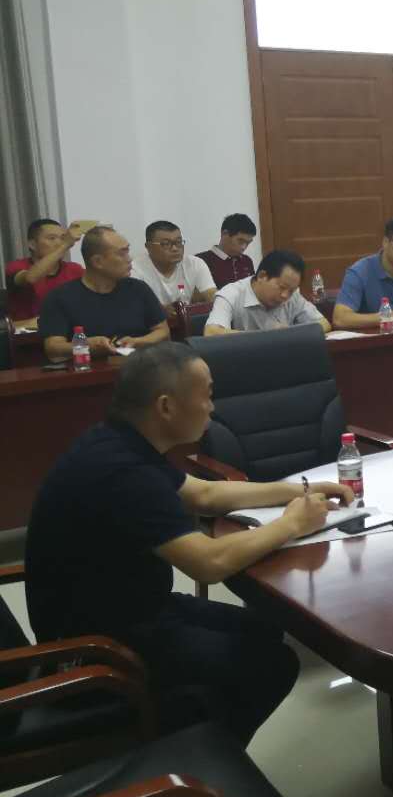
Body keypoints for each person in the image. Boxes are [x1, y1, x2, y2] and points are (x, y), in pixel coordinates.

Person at [25, 342, 354, 744]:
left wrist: (299, 490)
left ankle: (202, 740)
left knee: (264, 630)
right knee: (272, 665)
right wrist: (292, 524)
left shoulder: (120, 441)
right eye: (207, 395)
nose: (212, 408)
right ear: (166, 406)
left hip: (129, 608)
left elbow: (205, 494)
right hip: (95, 650)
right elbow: (207, 563)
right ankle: (193, 758)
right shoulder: (122, 472)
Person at [39, 226, 170, 362]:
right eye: (122, 253)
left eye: (127, 251)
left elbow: (163, 331)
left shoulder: (138, 288)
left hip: (141, 365)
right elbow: (53, 347)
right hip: (88, 369)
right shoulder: (60, 297)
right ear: (98, 262)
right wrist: (86, 344)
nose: (129, 259)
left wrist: (138, 341)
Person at [205, 250, 331, 335]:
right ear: (262, 276)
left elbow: (323, 324)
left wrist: (291, 333)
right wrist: (266, 336)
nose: (285, 296)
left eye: (291, 291)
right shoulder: (231, 293)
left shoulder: (293, 295)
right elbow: (212, 332)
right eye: (281, 287)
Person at [6, 217, 86, 327]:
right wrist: (65, 245)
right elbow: (31, 278)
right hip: (29, 335)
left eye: (62, 238)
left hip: (66, 334)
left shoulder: (74, 269)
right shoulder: (16, 266)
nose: (59, 243)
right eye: (52, 238)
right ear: (32, 244)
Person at [132, 221, 217, 308]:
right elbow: (137, 309)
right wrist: (162, 311)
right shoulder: (135, 270)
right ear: (149, 247)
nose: (175, 248)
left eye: (178, 242)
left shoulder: (194, 264)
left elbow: (212, 296)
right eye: (166, 244)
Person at [195, 214, 257, 290]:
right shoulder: (199, 261)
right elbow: (187, 293)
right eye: (240, 241)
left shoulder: (247, 261)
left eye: (248, 243)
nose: (244, 247)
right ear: (225, 234)